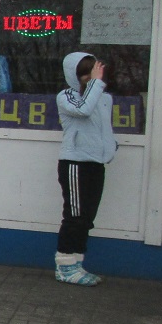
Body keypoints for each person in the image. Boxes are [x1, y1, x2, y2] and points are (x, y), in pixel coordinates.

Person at [55, 52, 116, 286]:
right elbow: (83, 110)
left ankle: (76, 264)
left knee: (87, 218)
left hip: (95, 163)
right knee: (75, 216)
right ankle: (65, 266)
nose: (90, 79)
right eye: (86, 75)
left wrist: (109, 149)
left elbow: (103, 129)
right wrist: (96, 84)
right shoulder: (66, 97)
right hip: (75, 163)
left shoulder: (103, 97)